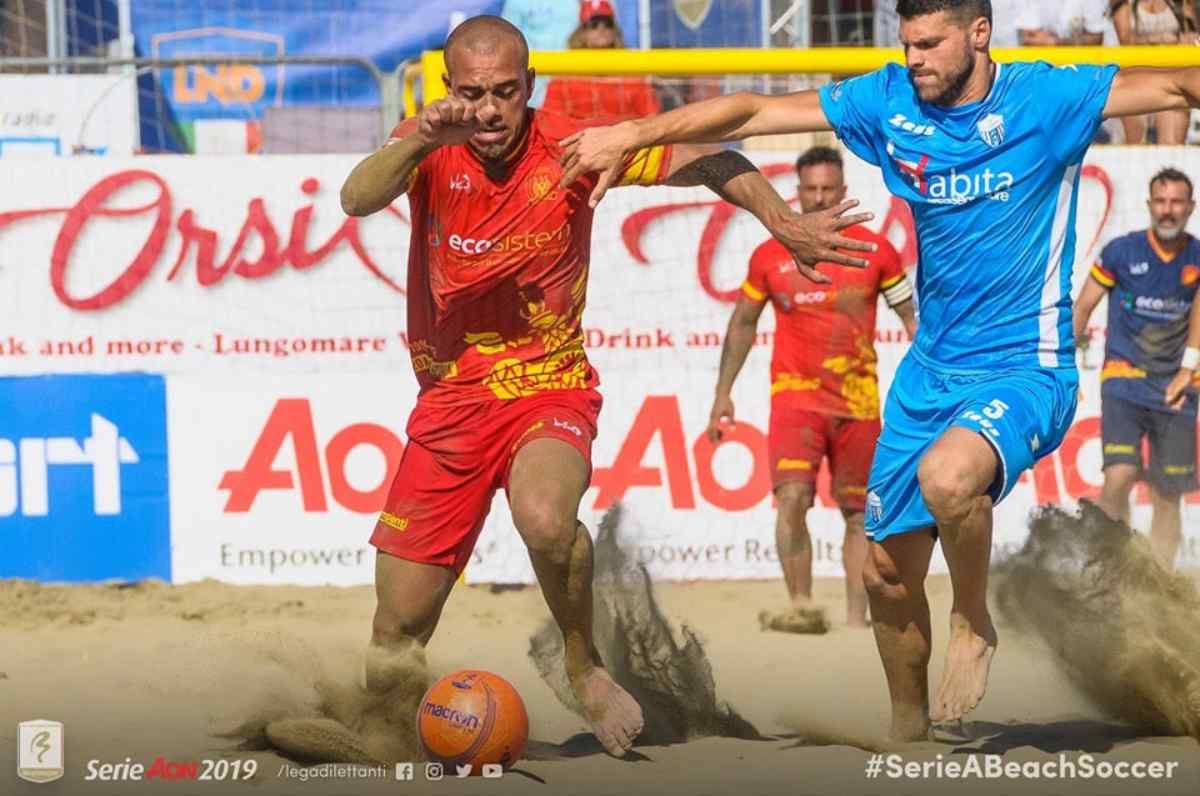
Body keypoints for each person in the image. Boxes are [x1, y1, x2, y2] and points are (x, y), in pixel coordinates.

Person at [558, 0, 1200, 741]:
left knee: (949, 480)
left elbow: (1180, 88)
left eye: (931, 43)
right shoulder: (890, 97)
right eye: (907, 43)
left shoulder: (1046, 97)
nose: (916, 56)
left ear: (979, 33)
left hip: (1028, 364)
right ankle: (910, 736)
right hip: (930, 375)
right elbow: (752, 111)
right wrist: (633, 131)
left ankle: (972, 619)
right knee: (884, 575)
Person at [339, 15, 869, 758]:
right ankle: (378, 740)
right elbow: (356, 199)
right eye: (472, 94)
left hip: (548, 389)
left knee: (546, 517)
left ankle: (583, 666)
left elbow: (712, 158)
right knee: (396, 630)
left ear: (531, 86)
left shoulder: (575, 146)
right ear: (450, 89)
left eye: (506, 92)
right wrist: (423, 136)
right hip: (450, 405)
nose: (489, 110)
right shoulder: (432, 143)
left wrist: (784, 222)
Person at [707, 146, 918, 634]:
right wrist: (723, 393)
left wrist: (933, 385)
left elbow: (911, 322)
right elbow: (742, 325)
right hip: (795, 398)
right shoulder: (769, 255)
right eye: (811, 189)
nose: (820, 198)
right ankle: (801, 607)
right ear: (796, 193)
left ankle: (854, 620)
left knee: (859, 514)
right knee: (793, 499)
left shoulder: (876, 250)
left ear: (843, 192)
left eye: (829, 189)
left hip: (859, 402)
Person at [1073, 167, 1200, 571]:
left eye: (1176, 202)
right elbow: (1082, 308)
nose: (1168, 210)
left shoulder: (1197, 257)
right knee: (1119, 477)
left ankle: (1160, 586)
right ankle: (1111, 571)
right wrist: (1065, 368)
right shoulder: (1121, 252)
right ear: (1148, 205)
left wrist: (1188, 370)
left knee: (1168, 494)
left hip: (1178, 388)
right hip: (1123, 382)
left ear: (1190, 207)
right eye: (1160, 202)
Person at [541, 0, 661, 121]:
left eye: (607, 24)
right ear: (582, 32)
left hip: (624, 137)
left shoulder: (631, 72)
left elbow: (651, 118)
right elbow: (551, 120)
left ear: (614, 30)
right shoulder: (565, 75)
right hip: (580, 137)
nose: (601, 29)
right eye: (594, 24)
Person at [1110, 1, 1198, 144]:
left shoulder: (1180, 3)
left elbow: (1193, 34)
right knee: (1136, 146)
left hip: (1172, 78)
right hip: (1135, 80)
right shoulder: (1126, 4)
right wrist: (1160, 40)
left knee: (1171, 146)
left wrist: (1189, 40)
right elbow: (1125, 40)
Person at [1016, 0, 1110, 45]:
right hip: (1044, 65)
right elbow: (1027, 35)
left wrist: (1056, 42)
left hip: (1083, 66)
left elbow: (1096, 38)